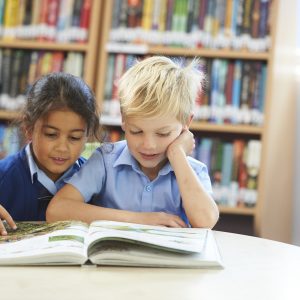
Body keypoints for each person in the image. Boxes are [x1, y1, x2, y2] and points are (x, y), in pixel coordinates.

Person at [46, 56, 219, 228]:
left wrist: (177, 154)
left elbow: (205, 221)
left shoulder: (192, 171)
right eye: (136, 131)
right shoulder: (105, 161)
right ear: (124, 120)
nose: (148, 145)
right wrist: (140, 220)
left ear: (186, 123)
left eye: (163, 134)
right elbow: (57, 210)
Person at [0, 72, 102, 235]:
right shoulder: (4, 175)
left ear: (87, 135)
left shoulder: (98, 181)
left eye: (74, 137)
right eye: (51, 134)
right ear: (28, 128)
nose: (62, 148)